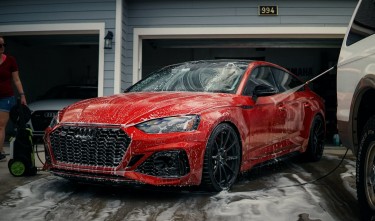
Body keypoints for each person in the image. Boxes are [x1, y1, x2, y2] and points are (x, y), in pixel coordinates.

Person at [0, 36, 27, 161]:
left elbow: (16, 79)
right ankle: (0, 150)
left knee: (0, 126)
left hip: (5, 98)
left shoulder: (10, 60)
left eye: (3, 44)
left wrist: (22, 95)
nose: (2, 47)